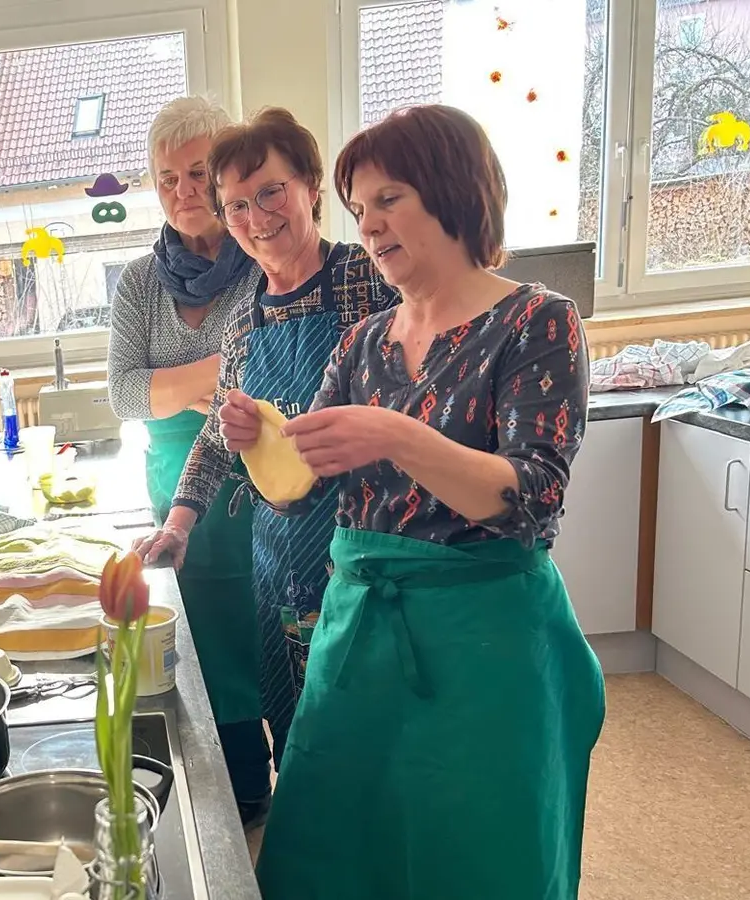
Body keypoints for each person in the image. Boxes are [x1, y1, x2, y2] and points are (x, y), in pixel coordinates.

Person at [239, 104, 605, 899]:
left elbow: (531, 499)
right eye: (359, 208)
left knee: (475, 855)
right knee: (334, 846)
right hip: (357, 634)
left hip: (486, 645)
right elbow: (302, 494)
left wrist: (397, 436)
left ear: (455, 191)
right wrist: (259, 444)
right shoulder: (361, 343)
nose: (369, 225)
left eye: (389, 198)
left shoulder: (537, 322)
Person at [135, 107, 400, 771]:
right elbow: (216, 437)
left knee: (366, 731)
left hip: (363, 553)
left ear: (310, 186)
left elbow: (416, 400)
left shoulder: (364, 278)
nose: (256, 217)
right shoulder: (246, 319)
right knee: (295, 731)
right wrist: (178, 524)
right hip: (278, 558)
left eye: (271, 192)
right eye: (236, 206)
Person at [106, 96, 271, 824]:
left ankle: (271, 778)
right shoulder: (140, 282)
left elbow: (267, 382)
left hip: (264, 480)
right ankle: (230, 790)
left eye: (199, 173)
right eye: (167, 178)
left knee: (267, 630)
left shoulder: (264, 262)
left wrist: (176, 385)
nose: (183, 192)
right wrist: (219, 375)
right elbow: (123, 393)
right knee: (199, 639)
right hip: (176, 485)